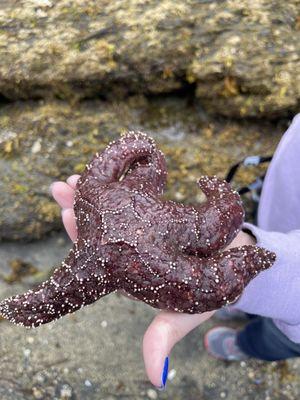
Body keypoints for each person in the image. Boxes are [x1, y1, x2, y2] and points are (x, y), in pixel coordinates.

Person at [50, 114, 300, 389]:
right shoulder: (105, 191)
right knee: (235, 286)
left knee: (274, 339)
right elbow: (219, 217)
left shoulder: (96, 192)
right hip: (279, 205)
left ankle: (244, 344)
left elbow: (139, 151)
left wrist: (281, 273)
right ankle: (239, 306)